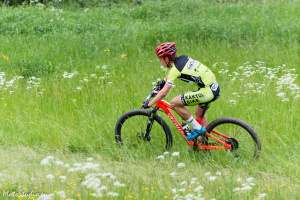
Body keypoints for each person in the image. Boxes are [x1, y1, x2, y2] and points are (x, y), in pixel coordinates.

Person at [143, 42, 220, 141]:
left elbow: (163, 93)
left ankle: (197, 129)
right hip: (213, 87)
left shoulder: (175, 70)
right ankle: (202, 143)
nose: (160, 62)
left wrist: (149, 104)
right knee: (199, 116)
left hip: (207, 91)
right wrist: (161, 83)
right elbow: (167, 79)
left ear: (166, 59)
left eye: (160, 59)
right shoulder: (183, 59)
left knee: (174, 102)